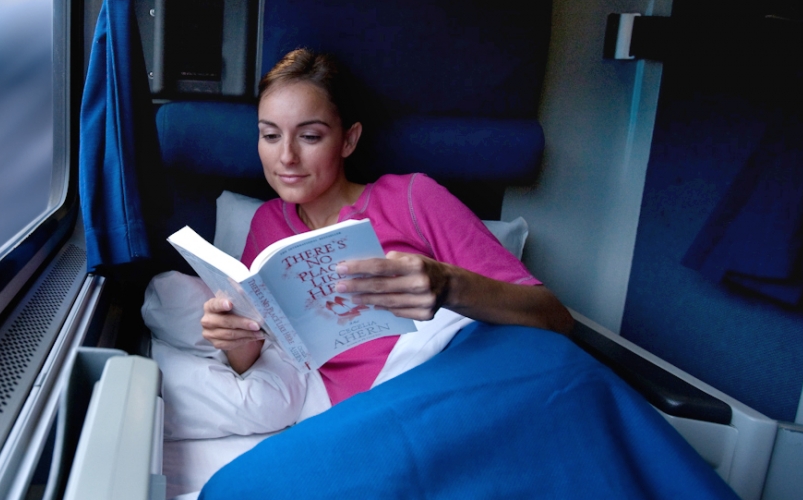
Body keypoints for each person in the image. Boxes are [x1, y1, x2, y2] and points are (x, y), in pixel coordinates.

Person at [200, 48, 573, 404]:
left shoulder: (412, 198)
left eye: (310, 136)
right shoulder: (267, 225)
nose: (286, 157)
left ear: (349, 140)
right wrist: (232, 335)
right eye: (270, 135)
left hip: (457, 379)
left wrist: (449, 285)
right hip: (365, 413)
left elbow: (554, 317)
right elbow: (251, 359)